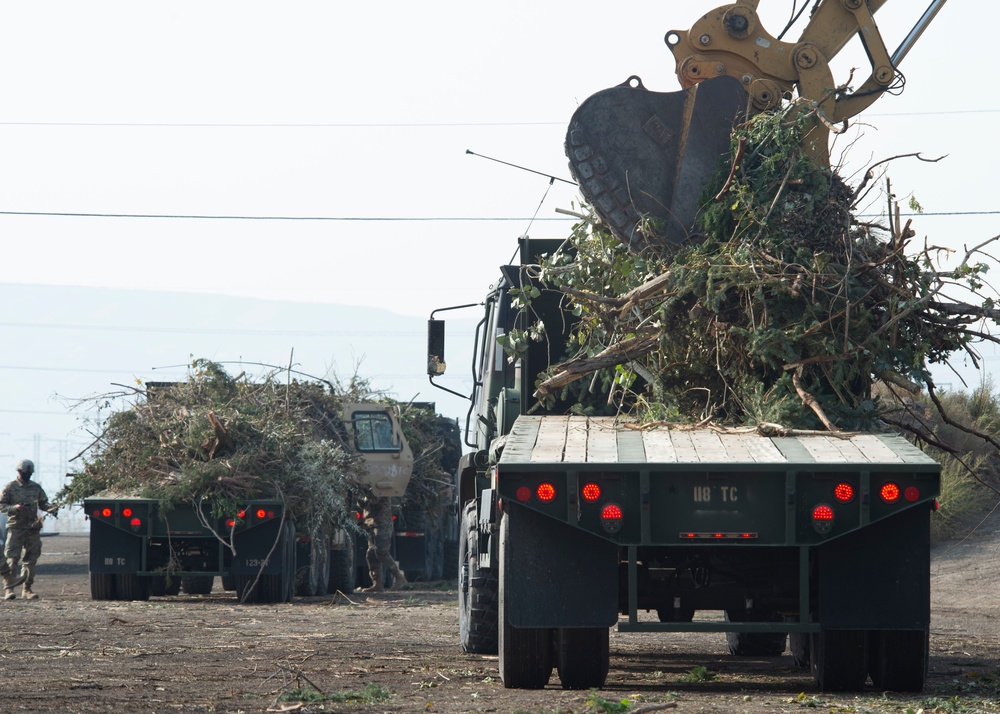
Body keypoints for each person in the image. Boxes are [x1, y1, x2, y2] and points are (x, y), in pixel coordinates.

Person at [0, 460, 57, 600]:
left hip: (32, 528)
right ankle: (9, 588)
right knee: (12, 557)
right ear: (19, 472)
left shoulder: (36, 488)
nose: (27, 476)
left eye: (29, 474)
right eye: (25, 473)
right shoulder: (10, 487)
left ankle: (27, 588)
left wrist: (52, 508)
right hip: (16, 527)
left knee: (31, 559)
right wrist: (14, 508)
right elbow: (1, 505)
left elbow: (43, 504)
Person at [360, 494, 407, 592]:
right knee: (371, 554)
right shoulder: (369, 489)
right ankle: (377, 583)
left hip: (382, 524)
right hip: (372, 524)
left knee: (381, 552)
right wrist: (357, 495)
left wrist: (363, 489)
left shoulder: (380, 488)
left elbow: (374, 500)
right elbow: (364, 505)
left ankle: (398, 576)